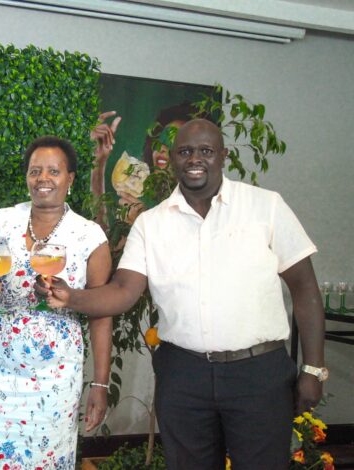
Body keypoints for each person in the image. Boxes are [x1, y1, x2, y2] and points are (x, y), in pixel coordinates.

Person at [39, 119, 326, 470]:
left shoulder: (265, 207)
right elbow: (124, 291)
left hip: (259, 375)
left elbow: (305, 289)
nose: (195, 159)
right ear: (173, 158)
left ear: (222, 156)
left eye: (205, 151)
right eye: (186, 151)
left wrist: (313, 368)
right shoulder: (152, 223)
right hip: (183, 377)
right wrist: (72, 297)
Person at [0, 136, 112, 469]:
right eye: (35, 171)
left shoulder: (90, 236)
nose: (43, 179)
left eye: (53, 171)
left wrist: (100, 384)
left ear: (70, 178)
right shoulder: (0, 223)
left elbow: (101, 313)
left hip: (55, 378)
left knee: (48, 460)